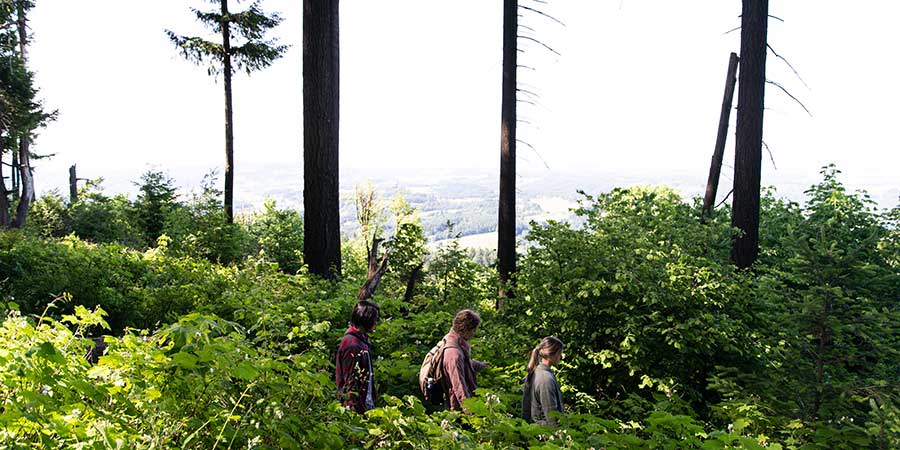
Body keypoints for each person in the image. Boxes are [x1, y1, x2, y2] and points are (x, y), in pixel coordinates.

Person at [335, 300, 380, 413]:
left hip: (364, 402)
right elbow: (350, 382)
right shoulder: (353, 344)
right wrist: (357, 409)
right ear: (367, 319)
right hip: (356, 407)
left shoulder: (360, 340)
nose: (376, 323)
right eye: (375, 319)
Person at [441, 309, 489, 411]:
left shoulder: (453, 340)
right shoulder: (453, 353)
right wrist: (470, 411)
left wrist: (479, 365)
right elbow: (459, 387)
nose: (474, 333)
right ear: (464, 329)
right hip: (454, 406)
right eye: (473, 330)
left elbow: (463, 363)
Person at [522, 336, 565, 426]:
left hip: (535, 432)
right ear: (555, 353)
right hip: (545, 435)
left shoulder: (536, 371)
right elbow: (552, 415)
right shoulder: (546, 379)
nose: (561, 357)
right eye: (560, 353)